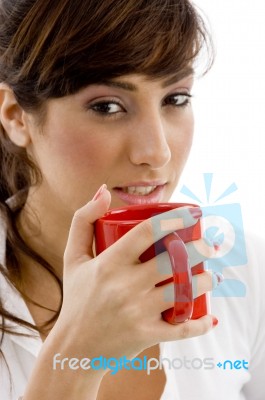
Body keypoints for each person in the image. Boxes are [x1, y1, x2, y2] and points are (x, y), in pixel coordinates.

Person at [0, 1, 264, 399]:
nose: (157, 152)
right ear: (16, 116)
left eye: (175, 99)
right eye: (107, 107)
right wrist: (75, 354)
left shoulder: (242, 270)